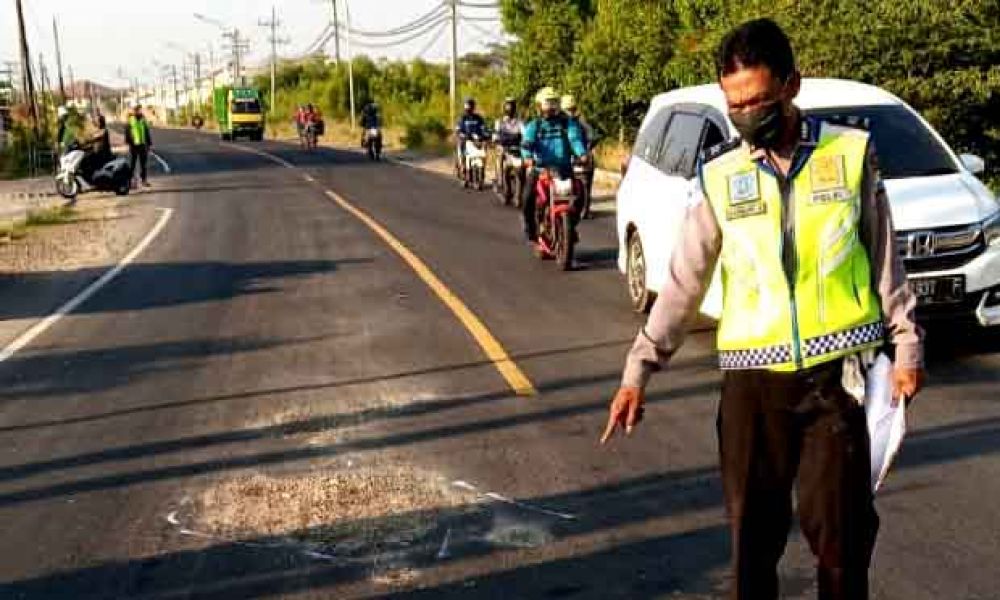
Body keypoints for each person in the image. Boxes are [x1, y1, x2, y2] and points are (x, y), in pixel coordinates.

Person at [600, 19, 925, 600]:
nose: (749, 114)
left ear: (791, 86)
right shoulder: (721, 176)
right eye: (736, 105)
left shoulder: (848, 157)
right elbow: (681, 283)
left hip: (837, 382)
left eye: (759, 100)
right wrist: (638, 371)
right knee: (752, 547)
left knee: (842, 544)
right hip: (753, 389)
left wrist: (906, 347)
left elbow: (884, 262)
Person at [520, 87, 588, 245]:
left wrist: (582, 154)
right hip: (540, 170)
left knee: (580, 194)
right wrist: (528, 157)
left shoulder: (567, 123)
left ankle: (570, 226)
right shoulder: (534, 125)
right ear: (539, 106)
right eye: (547, 104)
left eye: (553, 103)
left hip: (564, 169)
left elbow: (575, 139)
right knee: (527, 198)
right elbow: (526, 144)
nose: (550, 108)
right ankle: (531, 230)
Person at [561, 94, 597, 216]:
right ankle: (580, 208)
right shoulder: (564, 122)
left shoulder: (580, 121)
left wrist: (586, 150)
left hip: (581, 158)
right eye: (568, 109)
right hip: (572, 158)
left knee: (584, 183)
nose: (570, 112)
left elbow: (593, 137)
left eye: (571, 109)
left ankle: (584, 210)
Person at [455, 97, 487, 176]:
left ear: (473, 107)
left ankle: (483, 169)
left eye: (469, 105)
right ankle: (463, 165)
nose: (468, 107)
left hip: (476, 140)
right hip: (465, 139)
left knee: (484, 147)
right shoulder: (462, 118)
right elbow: (458, 129)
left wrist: (485, 134)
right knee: (461, 144)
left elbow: (483, 128)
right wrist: (460, 134)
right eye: (467, 105)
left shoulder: (479, 118)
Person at [78, 114, 113, 182]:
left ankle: (92, 178)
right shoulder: (99, 130)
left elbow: (94, 138)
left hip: (103, 153)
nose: (96, 123)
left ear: (101, 122)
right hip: (97, 152)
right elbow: (92, 139)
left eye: (98, 121)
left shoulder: (104, 130)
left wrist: (86, 140)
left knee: (87, 160)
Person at [125, 104, 152, 187]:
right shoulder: (131, 120)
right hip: (134, 145)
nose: (139, 111)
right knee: (132, 164)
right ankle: (130, 181)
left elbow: (147, 131)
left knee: (143, 164)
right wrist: (129, 142)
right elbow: (127, 131)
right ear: (135, 111)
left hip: (143, 144)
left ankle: (144, 180)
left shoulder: (143, 119)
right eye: (138, 110)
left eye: (140, 110)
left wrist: (149, 143)